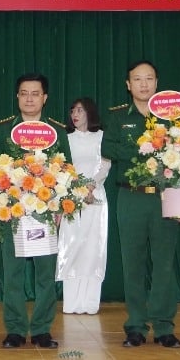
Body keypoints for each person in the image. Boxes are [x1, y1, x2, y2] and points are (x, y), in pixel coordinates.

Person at [100, 60, 180, 349]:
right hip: (130, 196)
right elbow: (108, 148)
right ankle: (136, 327)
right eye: (137, 79)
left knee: (164, 264)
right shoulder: (117, 117)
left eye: (149, 78)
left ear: (157, 82)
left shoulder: (174, 117)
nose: (144, 84)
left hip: (166, 196)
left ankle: (165, 327)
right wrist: (145, 148)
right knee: (132, 265)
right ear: (128, 85)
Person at [0, 72, 71, 349]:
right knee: (13, 272)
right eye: (24, 93)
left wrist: (57, 201)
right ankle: (15, 330)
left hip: (46, 210)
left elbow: (67, 169)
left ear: (45, 98)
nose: (29, 99)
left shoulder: (57, 130)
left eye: (35, 94)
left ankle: (43, 329)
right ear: (17, 96)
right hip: (13, 212)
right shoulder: (2, 130)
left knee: (46, 274)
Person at [56, 97, 110, 314]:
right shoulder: (66, 139)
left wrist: (91, 185)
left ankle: (90, 302)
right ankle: (72, 302)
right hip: (71, 198)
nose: (75, 115)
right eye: (72, 111)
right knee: (72, 246)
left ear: (90, 113)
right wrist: (75, 187)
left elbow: (105, 164)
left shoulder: (102, 137)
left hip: (95, 196)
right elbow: (61, 166)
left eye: (80, 110)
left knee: (93, 248)